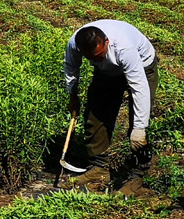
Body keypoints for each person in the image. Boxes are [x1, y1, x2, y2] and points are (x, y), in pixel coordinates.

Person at [64, 20, 159, 196]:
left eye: (98, 56)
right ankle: (99, 167)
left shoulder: (124, 48)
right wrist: (72, 95)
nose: (94, 61)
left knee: (138, 124)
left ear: (106, 42)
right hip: (108, 72)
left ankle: (136, 177)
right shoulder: (75, 44)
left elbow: (139, 88)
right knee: (95, 114)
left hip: (143, 67)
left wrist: (139, 129)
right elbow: (71, 68)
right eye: (90, 58)